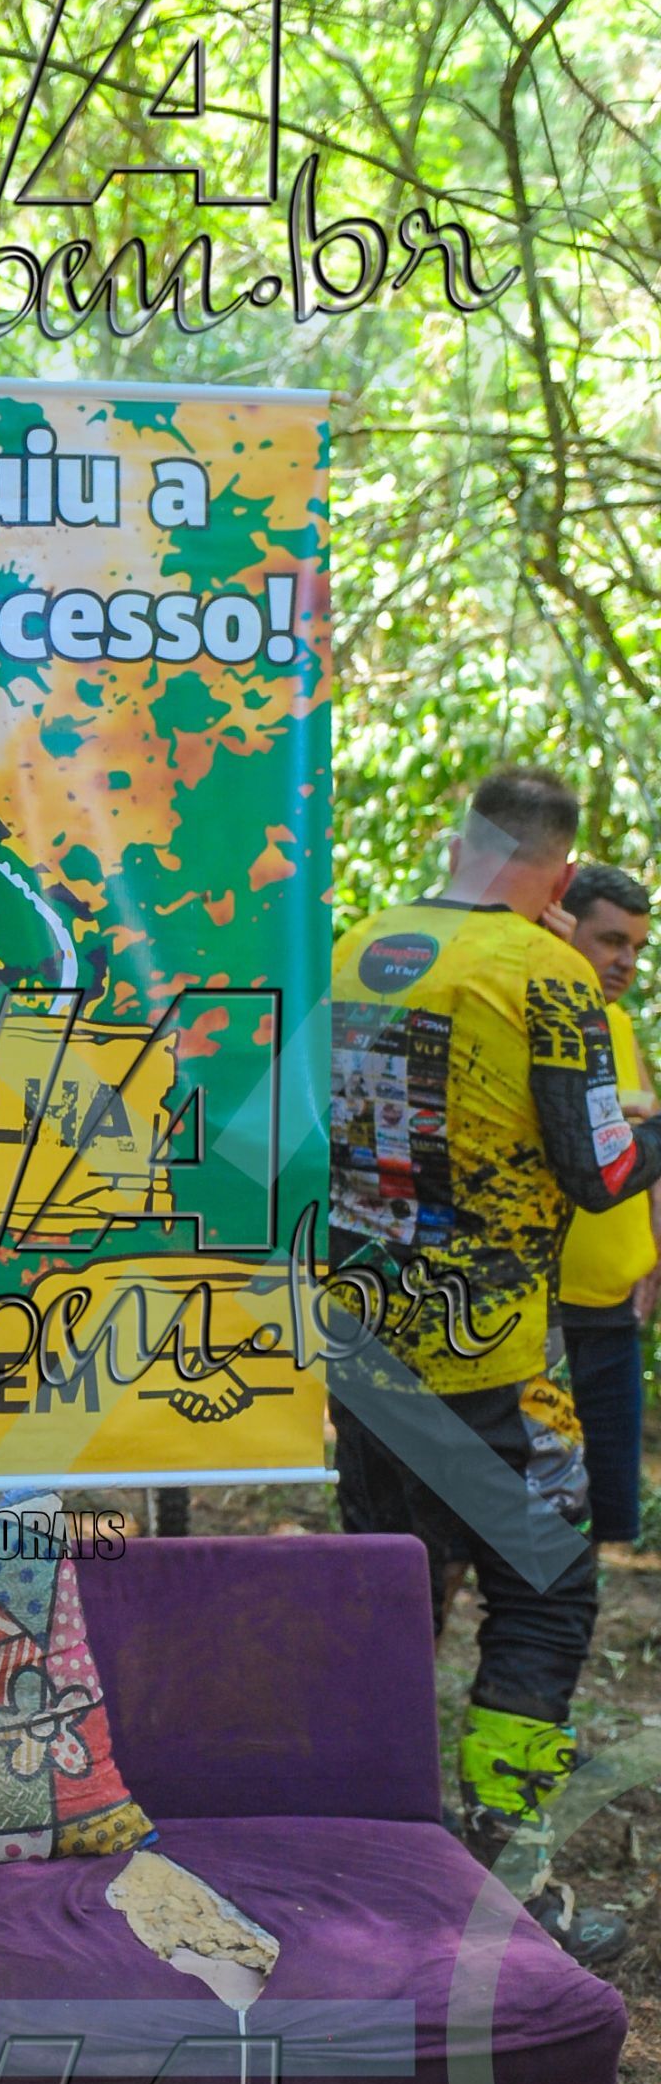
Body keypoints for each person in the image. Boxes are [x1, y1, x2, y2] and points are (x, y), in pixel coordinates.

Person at [329, 767, 661, 1970]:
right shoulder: (544, 971)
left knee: (394, 1590)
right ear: (562, 873)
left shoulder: (355, 947)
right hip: (492, 1356)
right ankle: (501, 1885)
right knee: (549, 1594)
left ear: (458, 842)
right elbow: (601, 1173)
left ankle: (372, 1874)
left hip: (364, 1344)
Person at [555, 864, 660, 1547]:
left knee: (602, 1517)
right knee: (506, 1517)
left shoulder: (617, 1023)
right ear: (563, 929)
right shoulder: (537, 1018)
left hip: (615, 1311)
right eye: (611, 940)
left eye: (637, 948)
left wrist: (656, 1248)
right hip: (544, 1318)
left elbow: (650, 1150)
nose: (626, 962)